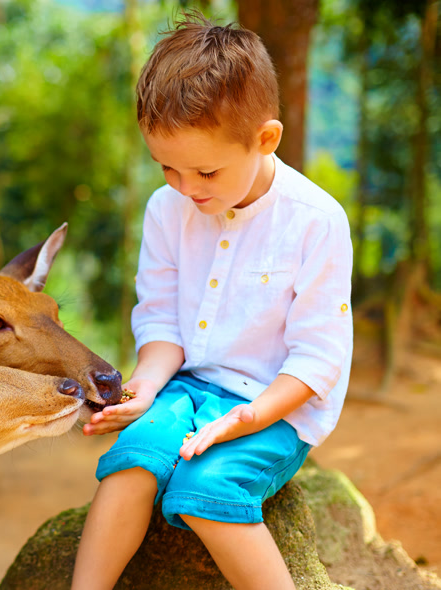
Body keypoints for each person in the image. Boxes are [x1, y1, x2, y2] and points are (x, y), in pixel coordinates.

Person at [72, 13, 353, 590]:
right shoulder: (166, 209)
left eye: (205, 170)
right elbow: (160, 318)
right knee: (134, 461)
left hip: (273, 406)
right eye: (167, 168)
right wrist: (145, 389)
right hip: (186, 387)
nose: (187, 187)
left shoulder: (317, 221)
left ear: (265, 139)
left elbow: (318, 356)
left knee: (207, 490)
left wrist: (251, 417)